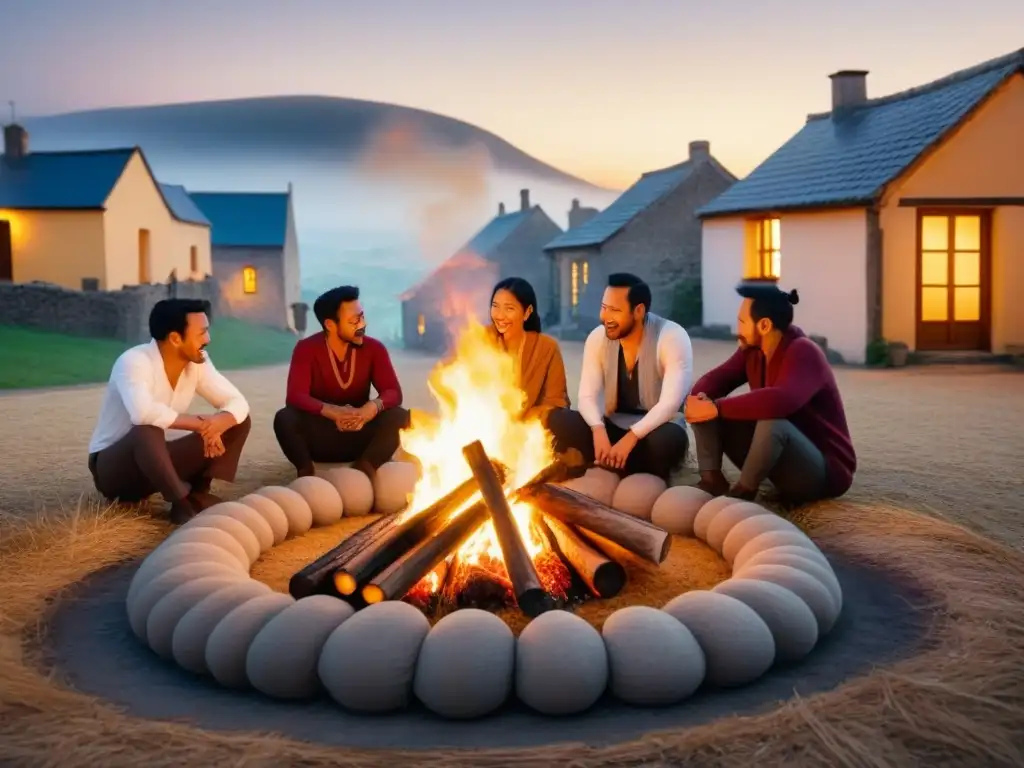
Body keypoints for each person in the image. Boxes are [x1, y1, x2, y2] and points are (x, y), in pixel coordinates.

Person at [685, 281, 856, 504]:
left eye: (742, 322)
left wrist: (716, 408)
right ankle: (712, 480)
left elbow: (781, 400)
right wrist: (698, 400)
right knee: (704, 403)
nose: (738, 330)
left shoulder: (804, 351)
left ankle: (743, 492)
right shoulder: (752, 351)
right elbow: (719, 378)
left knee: (771, 420)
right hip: (783, 461)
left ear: (764, 325)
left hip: (824, 472)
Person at [87, 298, 252, 525]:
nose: (208, 340)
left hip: (157, 460)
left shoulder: (198, 362)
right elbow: (142, 413)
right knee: (147, 430)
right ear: (175, 338)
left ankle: (198, 493)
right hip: (114, 469)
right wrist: (201, 424)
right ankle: (183, 504)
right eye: (201, 333)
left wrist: (221, 421)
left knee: (238, 420)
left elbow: (237, 402)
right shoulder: (134, 361)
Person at [546, 273, 694, 480]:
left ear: (639, 311)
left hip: (655, 432)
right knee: (558, 419)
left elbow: (670, 404)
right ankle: (608, 460)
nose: (605, 317)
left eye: (614, 310)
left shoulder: (671, 337)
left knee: (667, 441)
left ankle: (634, 471)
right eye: (604, 307)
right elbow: (587, 396)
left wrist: (632, 437)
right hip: (612, 429)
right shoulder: (598, 337)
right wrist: (598, 431)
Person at [274, 285, 409, 481]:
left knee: (400, 416)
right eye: (354, 321)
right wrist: (332, 412)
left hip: (361, 432)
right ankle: (306, 472)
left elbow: (393, 392)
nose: (362, 324)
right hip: (322, 437)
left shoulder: (374, 349)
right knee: (284, 419)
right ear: (330, 325)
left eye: (362, 317)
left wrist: (370, 409)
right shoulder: (306, 349)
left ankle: (366, 467)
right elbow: (295, 396)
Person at [487, 276, 570, 423]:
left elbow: (556, 402)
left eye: (509, 308)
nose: (500, 315)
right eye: (495, 306)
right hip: (487, 427)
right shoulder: (480, 340)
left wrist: (523, 422)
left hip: (531, 432)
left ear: (527, 312)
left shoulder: (547, 347)